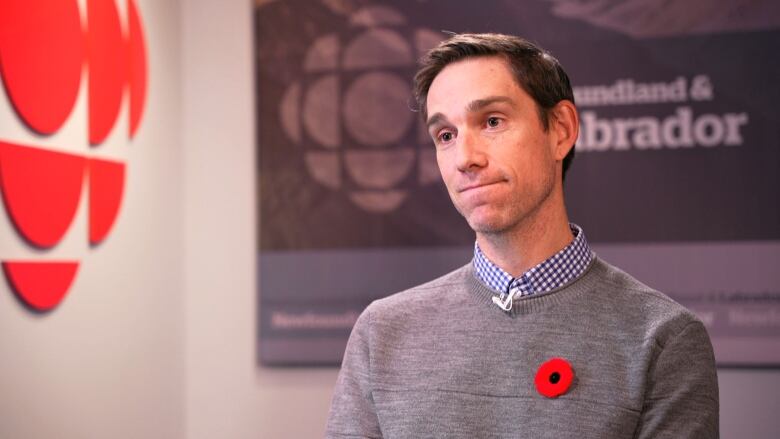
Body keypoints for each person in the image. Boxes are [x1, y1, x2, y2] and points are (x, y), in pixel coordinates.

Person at [325, 33, 718, 438]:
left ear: (561, 131)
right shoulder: (382, 332)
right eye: (446, 136)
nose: (465, 158)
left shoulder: (663, 339)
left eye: (492, 121)